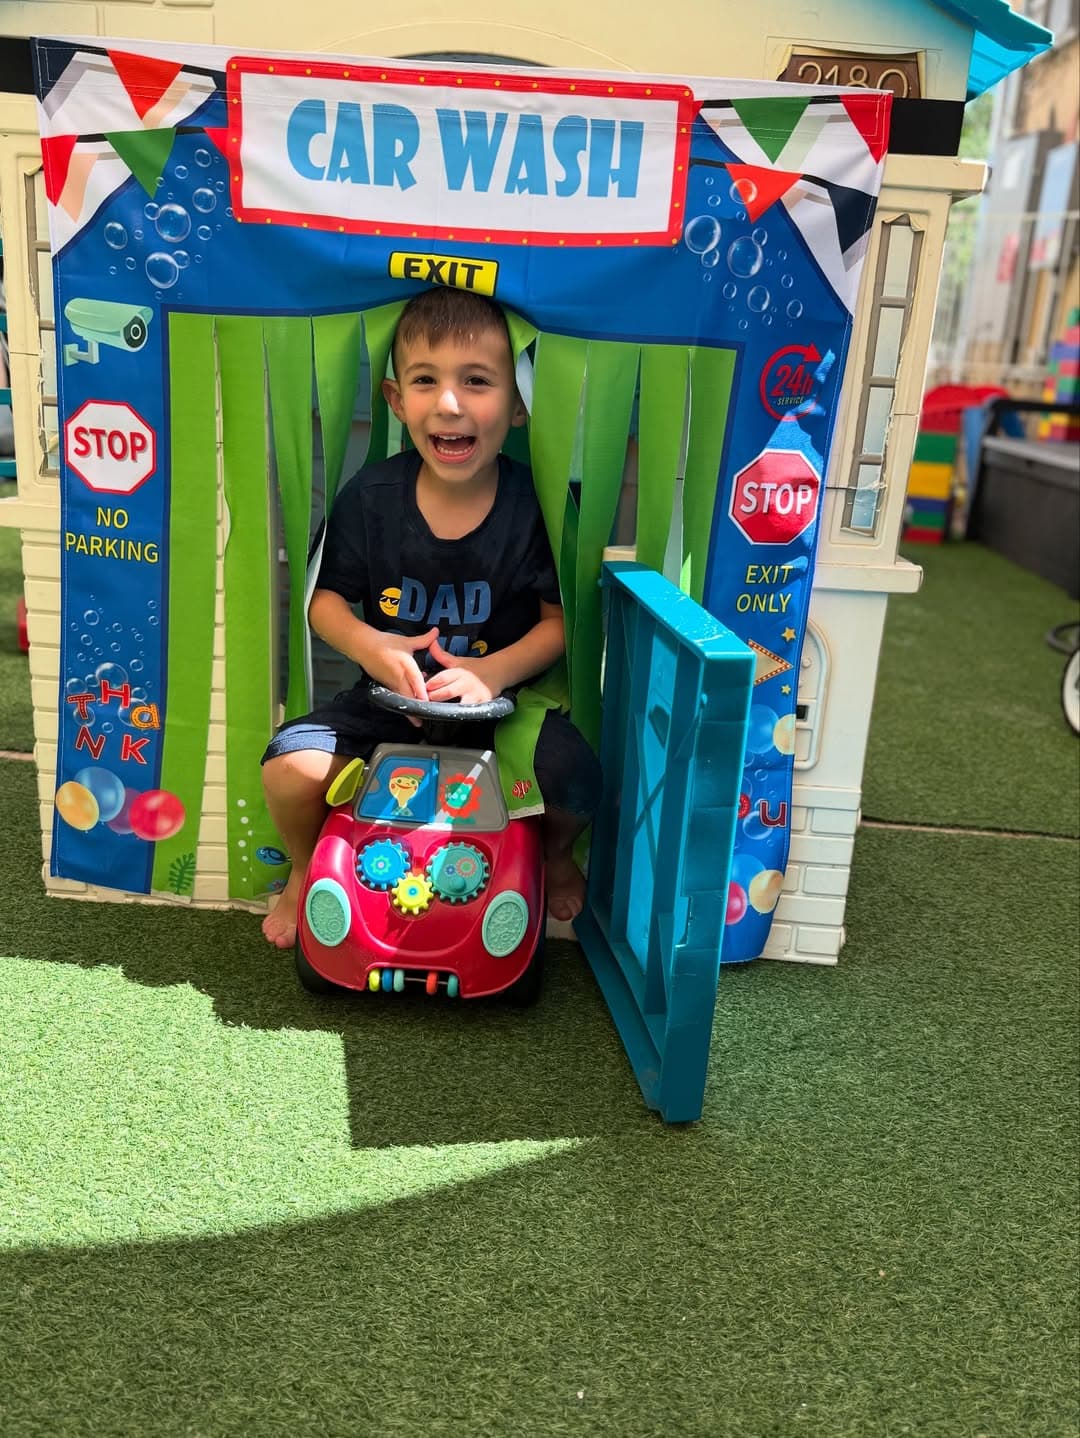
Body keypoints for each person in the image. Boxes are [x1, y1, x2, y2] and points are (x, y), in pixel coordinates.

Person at [260, 285, 601, 949]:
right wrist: (371, 647)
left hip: (501, 716)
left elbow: (561, 624)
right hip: (388, 704)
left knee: (577, 775)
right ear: (395, 400)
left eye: (476, 381)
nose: (449, 403)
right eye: (425, 380)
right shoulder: (371, 498)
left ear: (518, 404)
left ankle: (555, 854)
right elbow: (324, 602)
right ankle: (302, 868)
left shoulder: (536, 507)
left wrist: (492, 673)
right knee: (288, 768)